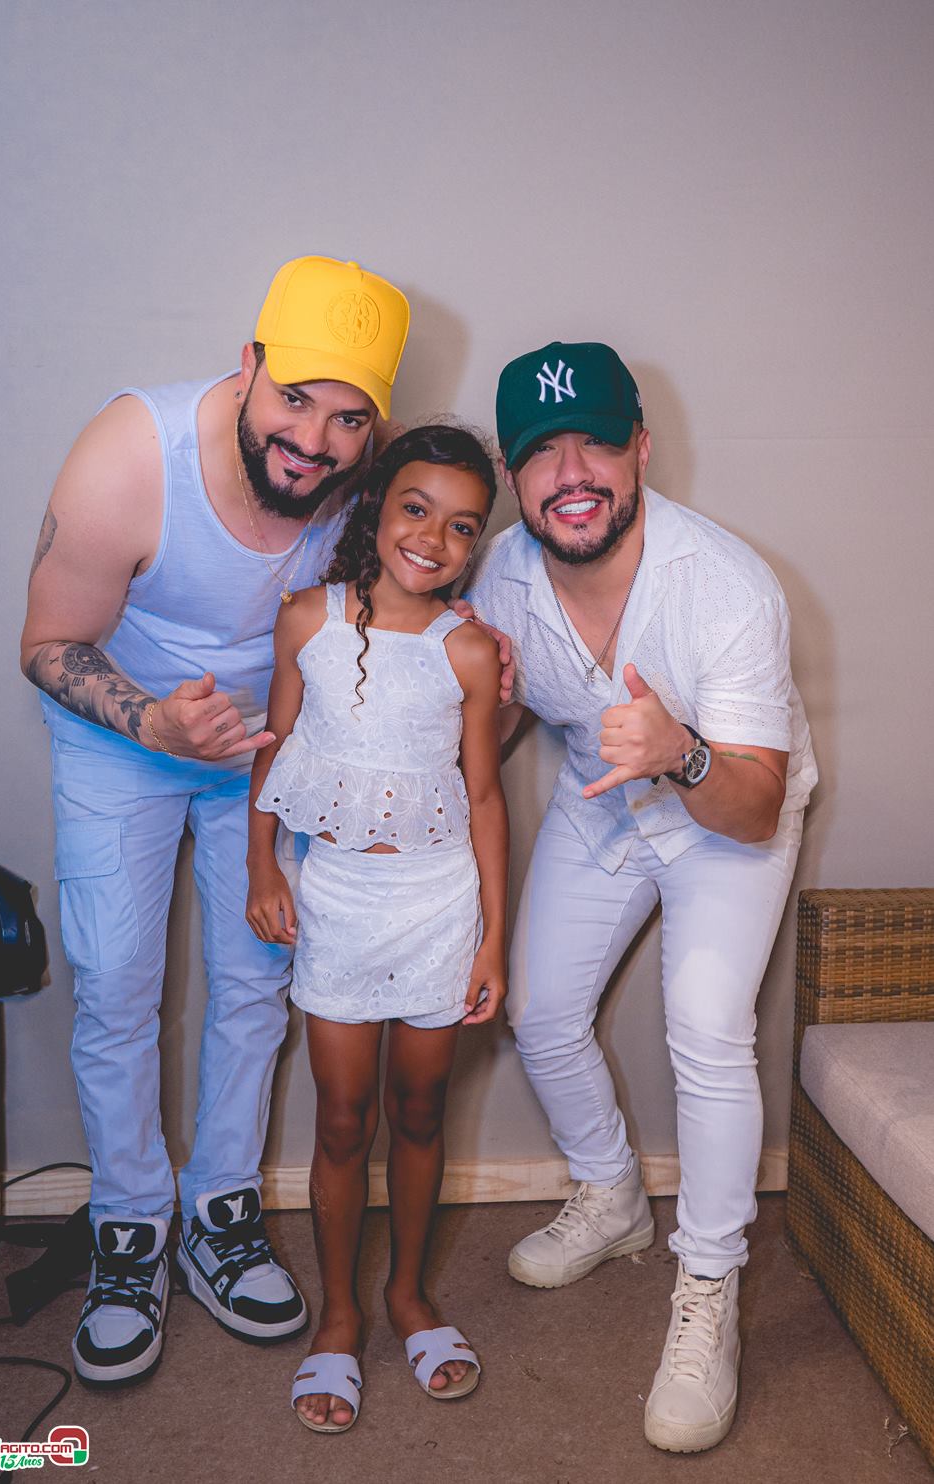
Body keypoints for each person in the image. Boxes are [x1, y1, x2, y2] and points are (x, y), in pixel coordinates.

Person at [19, 255, 411, 1384]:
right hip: (124, 735)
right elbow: (46, 643)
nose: (314, 441)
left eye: (348, 419)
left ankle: (220, 1211)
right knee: (116, 980)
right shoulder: (129, 455)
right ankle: (129, 1222)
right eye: (295, 398)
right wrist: (154, 723)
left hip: (268, 753)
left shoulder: (365, 477)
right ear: (247, 366)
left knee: (257, 978)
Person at [465, 340, 817, 1453]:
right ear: (512, 476)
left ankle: (707, 1288)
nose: (571, 473)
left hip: (726, 801)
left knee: (705, 1029)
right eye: (541, 452)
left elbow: (753, 806)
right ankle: (612, 1194)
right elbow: (498, 719)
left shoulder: (725, 585)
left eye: (596, 443)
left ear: (640, 451)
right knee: (538, 1009)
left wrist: (681, 752)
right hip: (604, 797)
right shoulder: (500, 576)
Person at [246, 425, 509, 1433]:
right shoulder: (304, 618)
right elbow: (272, 749)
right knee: (342, 1118)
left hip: (439, 904)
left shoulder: (468, 649)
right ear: (375, 507)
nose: (433, 539)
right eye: (415, 509)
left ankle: (407, 1294)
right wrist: (261, 866)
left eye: (462, 526)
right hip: (339, 902)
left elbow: (483, 797)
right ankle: (340, 1313)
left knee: (420, 1107)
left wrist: (492, 938)